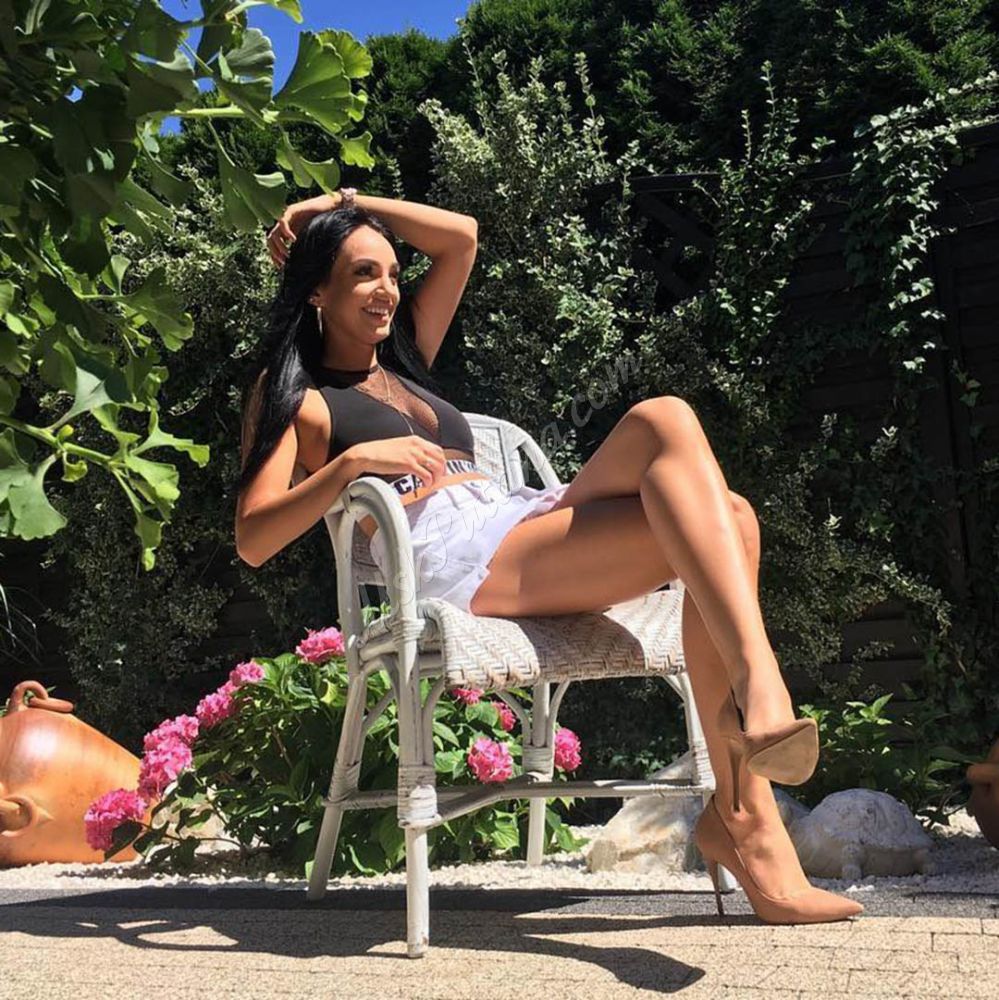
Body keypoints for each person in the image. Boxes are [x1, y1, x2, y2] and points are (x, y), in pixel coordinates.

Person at [235, 189, 864, 925]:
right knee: (709, 486)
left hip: (513, 515)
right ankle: (751, 772)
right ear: (316, 290)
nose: (387, 290)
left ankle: (739, 795)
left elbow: (462, 237)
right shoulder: (299, 396)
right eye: (363, 274)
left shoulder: (406, 360)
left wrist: (340, 201)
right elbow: (254, 537)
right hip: (458, 561)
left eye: (393, 273)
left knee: (707, 479)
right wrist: (352, 464)